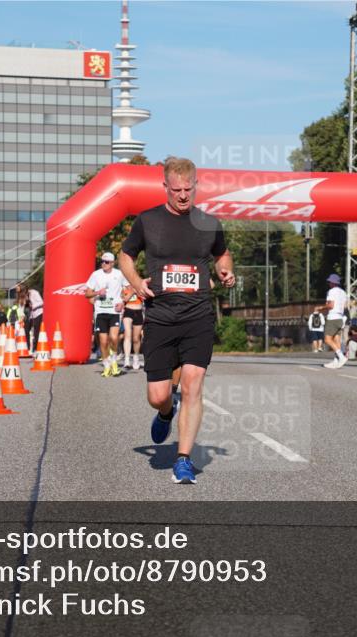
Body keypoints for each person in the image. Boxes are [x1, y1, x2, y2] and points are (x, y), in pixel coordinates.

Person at [120, 156, 235, 484]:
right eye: (177, 190)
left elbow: (221, 253)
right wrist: (135, 281)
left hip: (198, 315)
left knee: (193, 382)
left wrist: (226, 271)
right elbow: (127, 255)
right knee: (158, 394)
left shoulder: (208, 222)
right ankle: (166, 412)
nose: (183, 195)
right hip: (160, 316)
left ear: (196, 186)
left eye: (189, 189)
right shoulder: (148, 221)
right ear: (165, 187)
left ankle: (183, 459)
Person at [85, 251, 126, 377]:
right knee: (103, 342)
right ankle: (107, 365)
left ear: (112, 263)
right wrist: (97, 292)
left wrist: (123, 302)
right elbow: (87, 294)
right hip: (100, 311)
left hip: (114, 311)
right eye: (102, 261)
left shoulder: (119, 274)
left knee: (113, 338)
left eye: (107, 262)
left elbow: (130, 290)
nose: (104, 264)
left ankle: (113, 359)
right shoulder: (95, 275)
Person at [317, 273, 348, 369]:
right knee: (336, 339)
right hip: (340, 318)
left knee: (327, 339)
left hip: (332, 318)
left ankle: (341, 357)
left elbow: (330, 305)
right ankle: (336, 361)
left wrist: (321, 307)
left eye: (329, 282)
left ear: (332, 283)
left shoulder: (331, 292)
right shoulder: (343, 293)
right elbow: (346, 306)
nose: (329, 283)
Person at [121, 280, 145, 370]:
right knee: (127, 334)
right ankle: (127, 360)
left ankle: (136, 358)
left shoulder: (140, 287)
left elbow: (144, 297)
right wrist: (132, 291)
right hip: (128, 311)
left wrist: (137, 291)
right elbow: (125, 299)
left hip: (138, 311)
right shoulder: (123, 288)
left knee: (136, 338)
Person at [27, 284, 44, 350]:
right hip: (33, 315)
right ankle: (33, 347)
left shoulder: (34, 293)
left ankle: (36, 347)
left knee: (37, 331)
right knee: (33, 332)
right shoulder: (27, 295)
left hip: (39, 313)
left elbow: (41, 302)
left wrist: (33, 306)